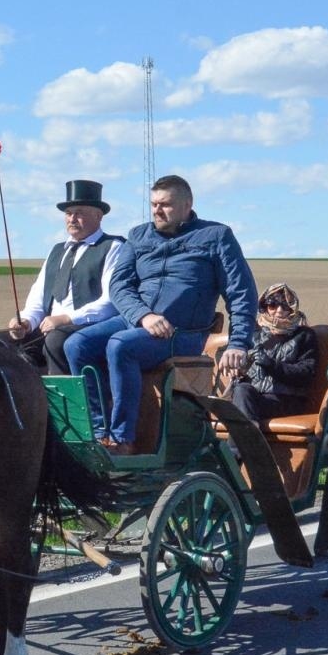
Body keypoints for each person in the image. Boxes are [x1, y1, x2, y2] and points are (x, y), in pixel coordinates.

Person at [64, 174, 258, 454]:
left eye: (165, 205)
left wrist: (239, 342)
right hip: (137, 321)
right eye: (153, 204)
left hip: (183, 332)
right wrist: (143, 316)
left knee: (121, 345)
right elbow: (120, 285)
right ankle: (97, 432)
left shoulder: (216, 236)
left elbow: (241, 293)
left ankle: (122, 439)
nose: (156, 210)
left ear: (187, 204)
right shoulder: (139, 235)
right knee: (76, 344)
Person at [7, 179, 125, 374]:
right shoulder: (57, 251)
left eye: (79, 213)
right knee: (4, 344)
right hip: (51, 326)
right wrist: (26, 321)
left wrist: (66, 319)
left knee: (56, 341)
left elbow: (110, 302)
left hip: (90, 327)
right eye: (69, 214)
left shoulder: (113, 248)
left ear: (98, 215)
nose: (72, 219)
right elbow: (38, 298)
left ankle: (67, 403)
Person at [229, 282, 318, 422]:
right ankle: (245, 441)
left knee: (243, 397)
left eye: (285, 305)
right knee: (241, 390)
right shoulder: (252, 332)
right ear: (264, 307)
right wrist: (234, 367)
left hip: (286, 399)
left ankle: (244, 443)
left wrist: (272, 365)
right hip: (251, 396)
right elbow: (229, 352)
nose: (279, 310)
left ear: (292, 308)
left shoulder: (304, 335)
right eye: (272, 305)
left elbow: (306, 374)